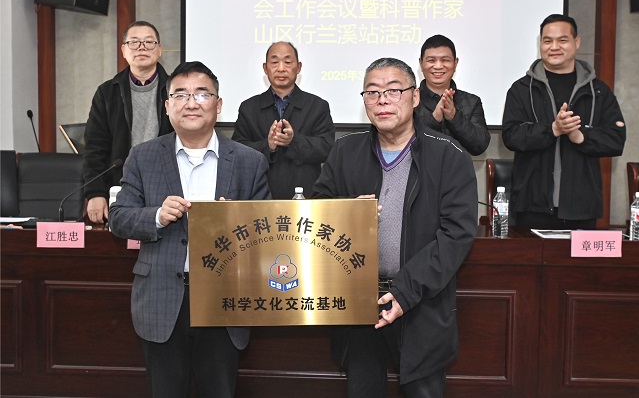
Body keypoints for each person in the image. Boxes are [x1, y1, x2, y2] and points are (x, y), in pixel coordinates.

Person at [313, 58, 477, 397]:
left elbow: (456, 235)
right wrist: (348, 213)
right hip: (358, 302)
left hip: (421, 303)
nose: (382, 100)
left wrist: (406, 291)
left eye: (393, 90)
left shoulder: (449, 156)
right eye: (372, 92)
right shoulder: (345, 152)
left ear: (415, 97)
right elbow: (317, 215)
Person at [109, 61, 271, 397]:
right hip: (162, 298)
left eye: (201, 94)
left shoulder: (249, 160)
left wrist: (237, 222)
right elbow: (119, 218)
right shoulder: (143, 157)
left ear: (218, 104)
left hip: (224, 299)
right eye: (180, 95)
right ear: (168, 106)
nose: (191, 102)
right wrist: (156, 216)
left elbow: (267, 233)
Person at [502, 14, 626, 229]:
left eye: (562, 40)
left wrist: (580, 136)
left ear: (576, 42)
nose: (554, 47)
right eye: (547, 41)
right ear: (540, 44)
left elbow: (616, 140)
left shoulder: (597, 91)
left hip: (582, 206)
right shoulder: (522, 89)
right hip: (532, 205)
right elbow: (511, 136)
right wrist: (553, 129)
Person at [83, 20, 174, 224]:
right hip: (121, 187)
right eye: (134, 42)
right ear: (124, 50)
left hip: (168, 188)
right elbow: (95, 148)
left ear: (159, 49)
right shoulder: (107, 92)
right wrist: (95, 193)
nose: (142, 47)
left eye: (149, 42)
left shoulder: (175, 90)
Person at [232, 41, 335, 199]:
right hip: (260, 196)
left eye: (287, 62)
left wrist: (293, 141)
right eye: (274, 62)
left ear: (298, 67)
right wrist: (268, 145)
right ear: (265, 68)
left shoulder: (317, 105)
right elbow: (237, 152)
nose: (281, 68)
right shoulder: (249, 108)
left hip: (306, 196)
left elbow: (327, 149)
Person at [414, 34, 490, 155]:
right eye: (431, 60)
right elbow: (403, 143)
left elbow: (480, 146)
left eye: (445, 60)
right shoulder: (408, 100)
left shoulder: (471, 102)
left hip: (459, 167)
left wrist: (454, 116)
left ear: (455, 63)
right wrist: (434, 119)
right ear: (421, 63)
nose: (438, 66)